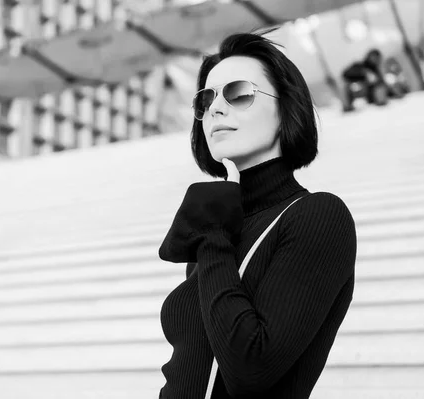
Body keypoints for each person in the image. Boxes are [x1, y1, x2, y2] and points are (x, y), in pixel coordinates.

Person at [157, 31, 357, 399]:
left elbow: (251, 368)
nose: (216, 108)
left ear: (285, 108)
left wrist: (214, 233)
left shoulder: (317, 216)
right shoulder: (217, 227)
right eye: (206, 98)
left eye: (238, 93)